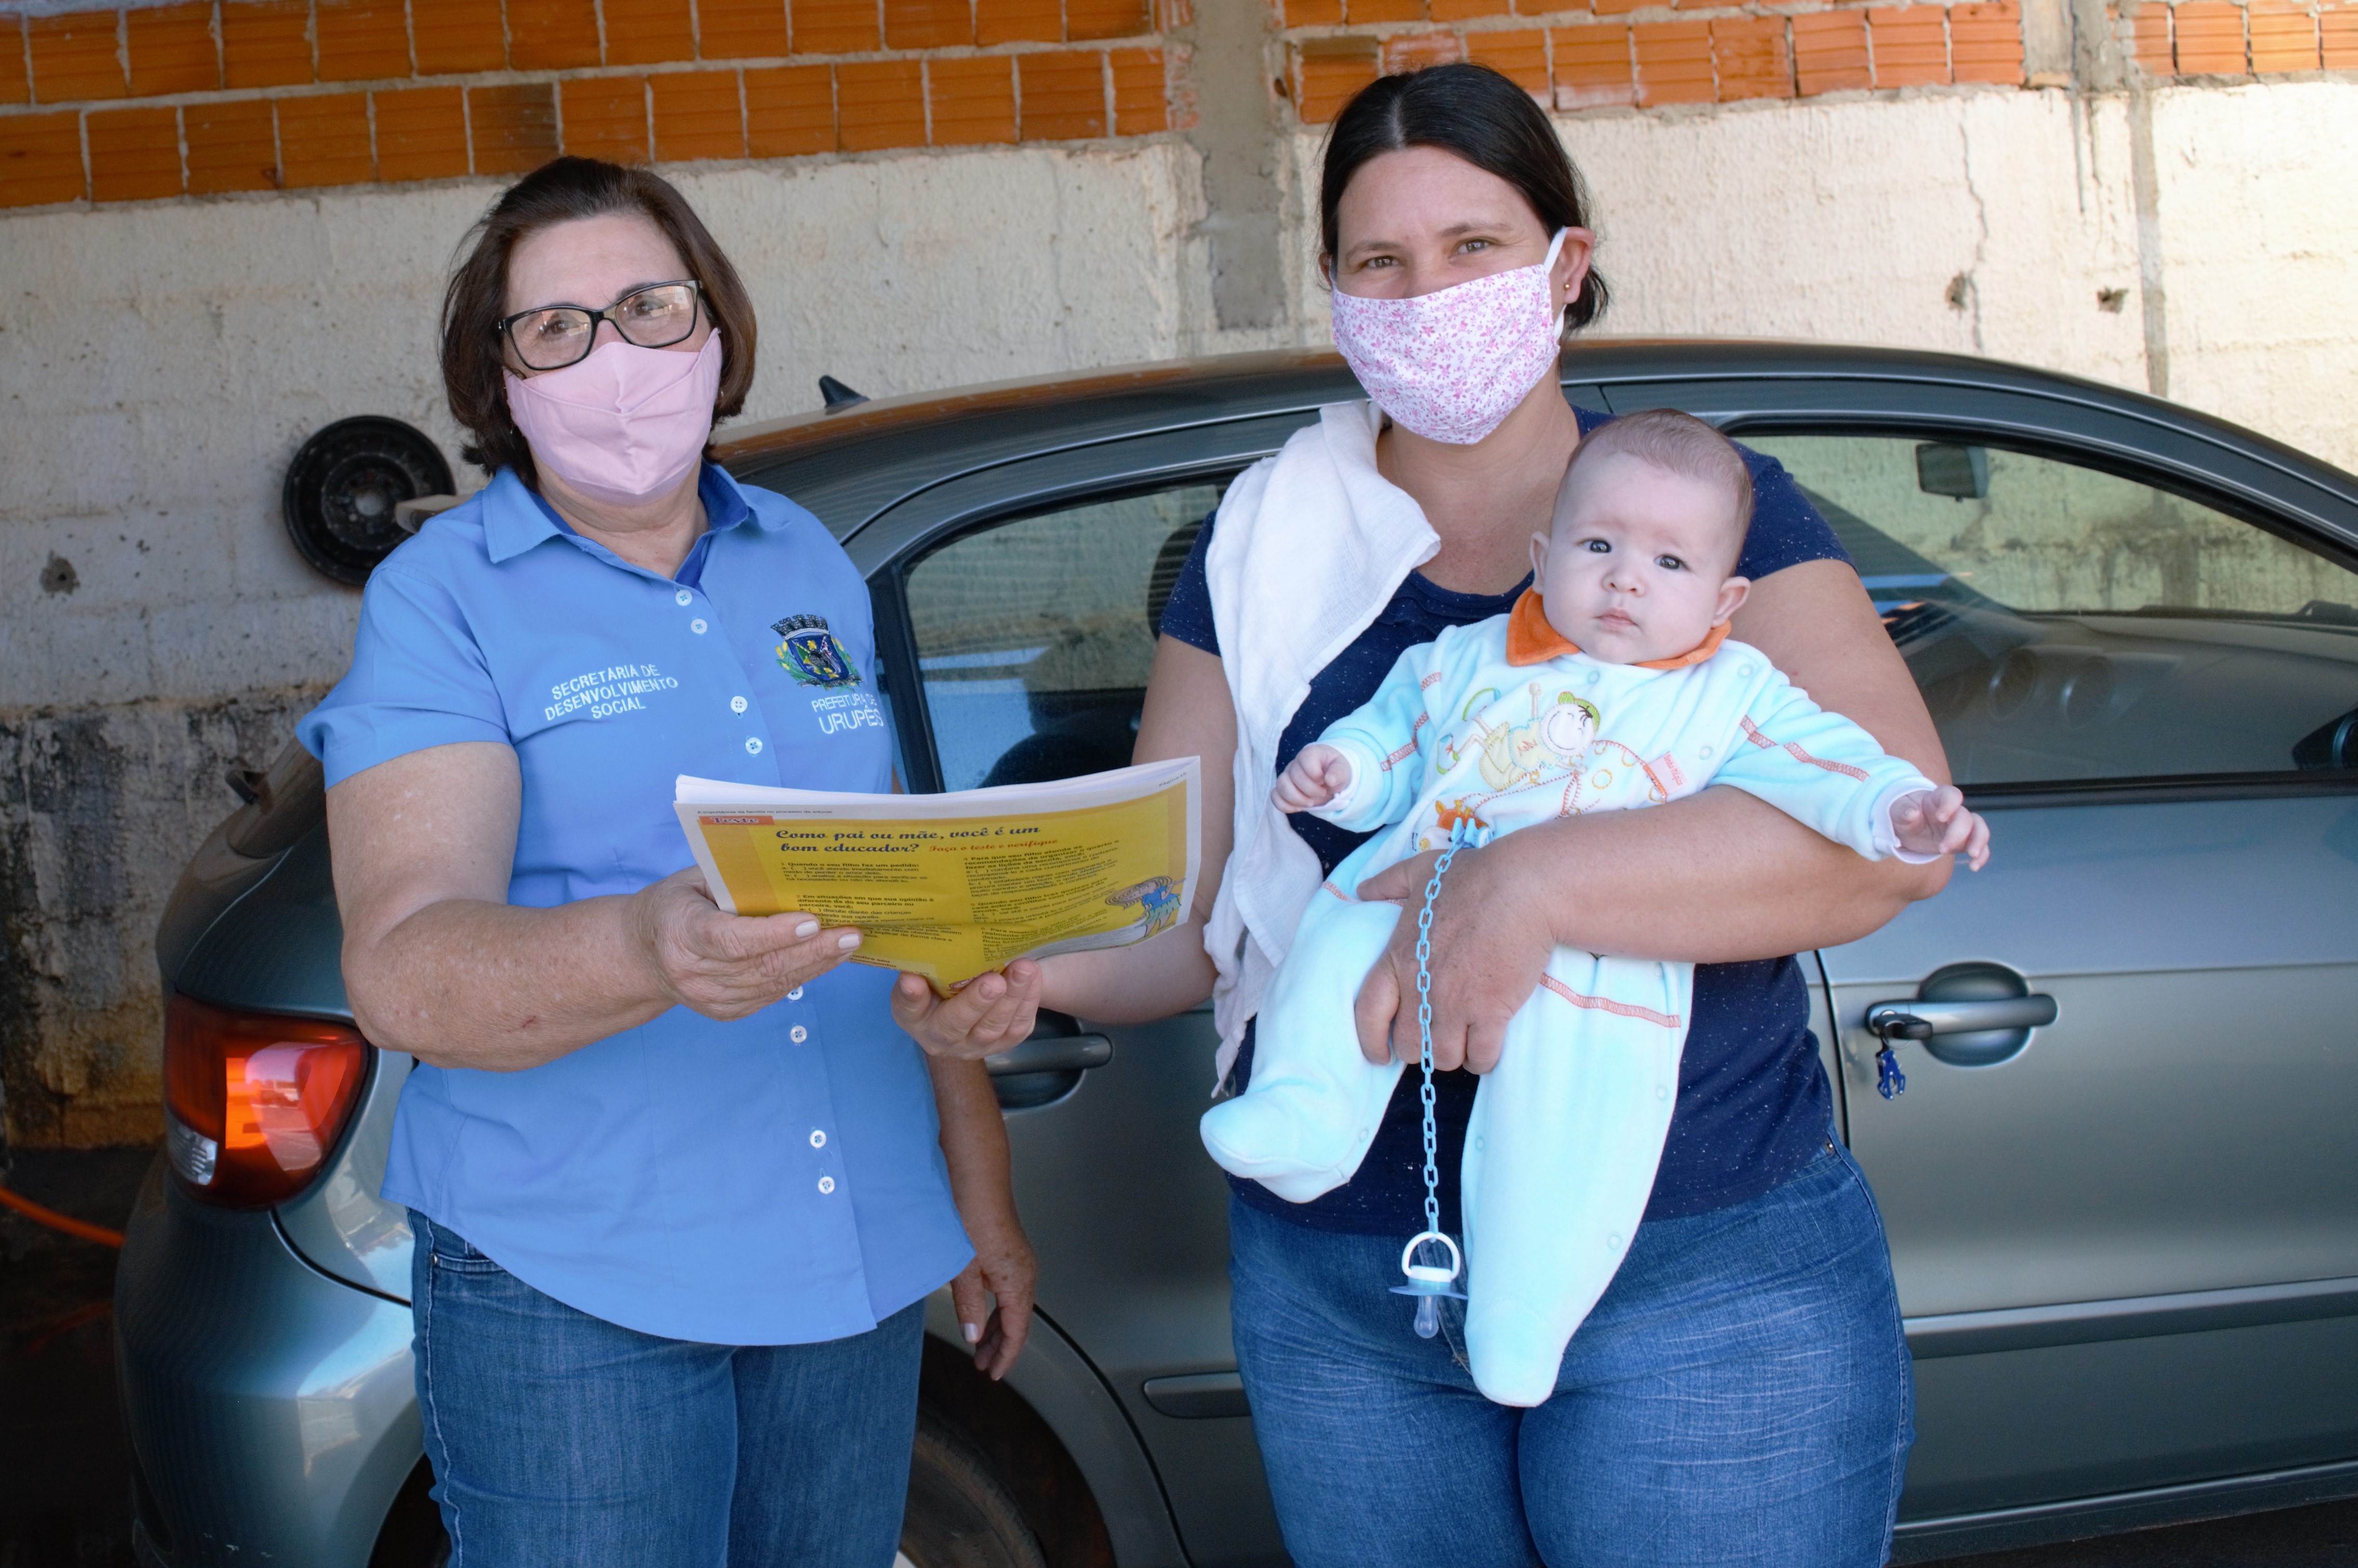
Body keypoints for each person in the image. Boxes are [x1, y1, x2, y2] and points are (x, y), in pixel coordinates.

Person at [909, 59, 1954, 1567]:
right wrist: (1026, 979)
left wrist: (1524, 884)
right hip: (1343, 1293)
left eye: (1472, 248)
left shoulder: (1703, 516)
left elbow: (1879, 841)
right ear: (1334, 294)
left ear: (1563, 266)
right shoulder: (1260, 549)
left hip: (1702, 1272)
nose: (1427, 292)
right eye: (1379, 263)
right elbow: (1190, 920)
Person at [300, 157, 1042, 1566]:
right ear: (498, 378)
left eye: (647, 307)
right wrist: (647, 948)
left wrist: (980, 1188)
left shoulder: (806, 560)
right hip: (576, 1281)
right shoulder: (440, 598)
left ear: (714, 331)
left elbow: (897, 885)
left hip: (854, 1261)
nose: (615, 355)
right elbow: (402, 967)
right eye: (556, 328)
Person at [1201, 409, 1988, 1407]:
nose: (1626, 578)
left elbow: (1827, 768)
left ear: (1725, 595)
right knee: (1336, 934)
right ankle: (1306, 1110)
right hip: (1416, 880)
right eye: (1599, 545)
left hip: (1602, 957)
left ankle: (1525, 1310)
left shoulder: (1733, 691)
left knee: (1576, 1126)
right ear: (1543, 554)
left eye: (1669, 562)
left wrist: (1899, 810)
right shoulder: (1463, 656)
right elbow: (1392, 739)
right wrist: (1342, 773)